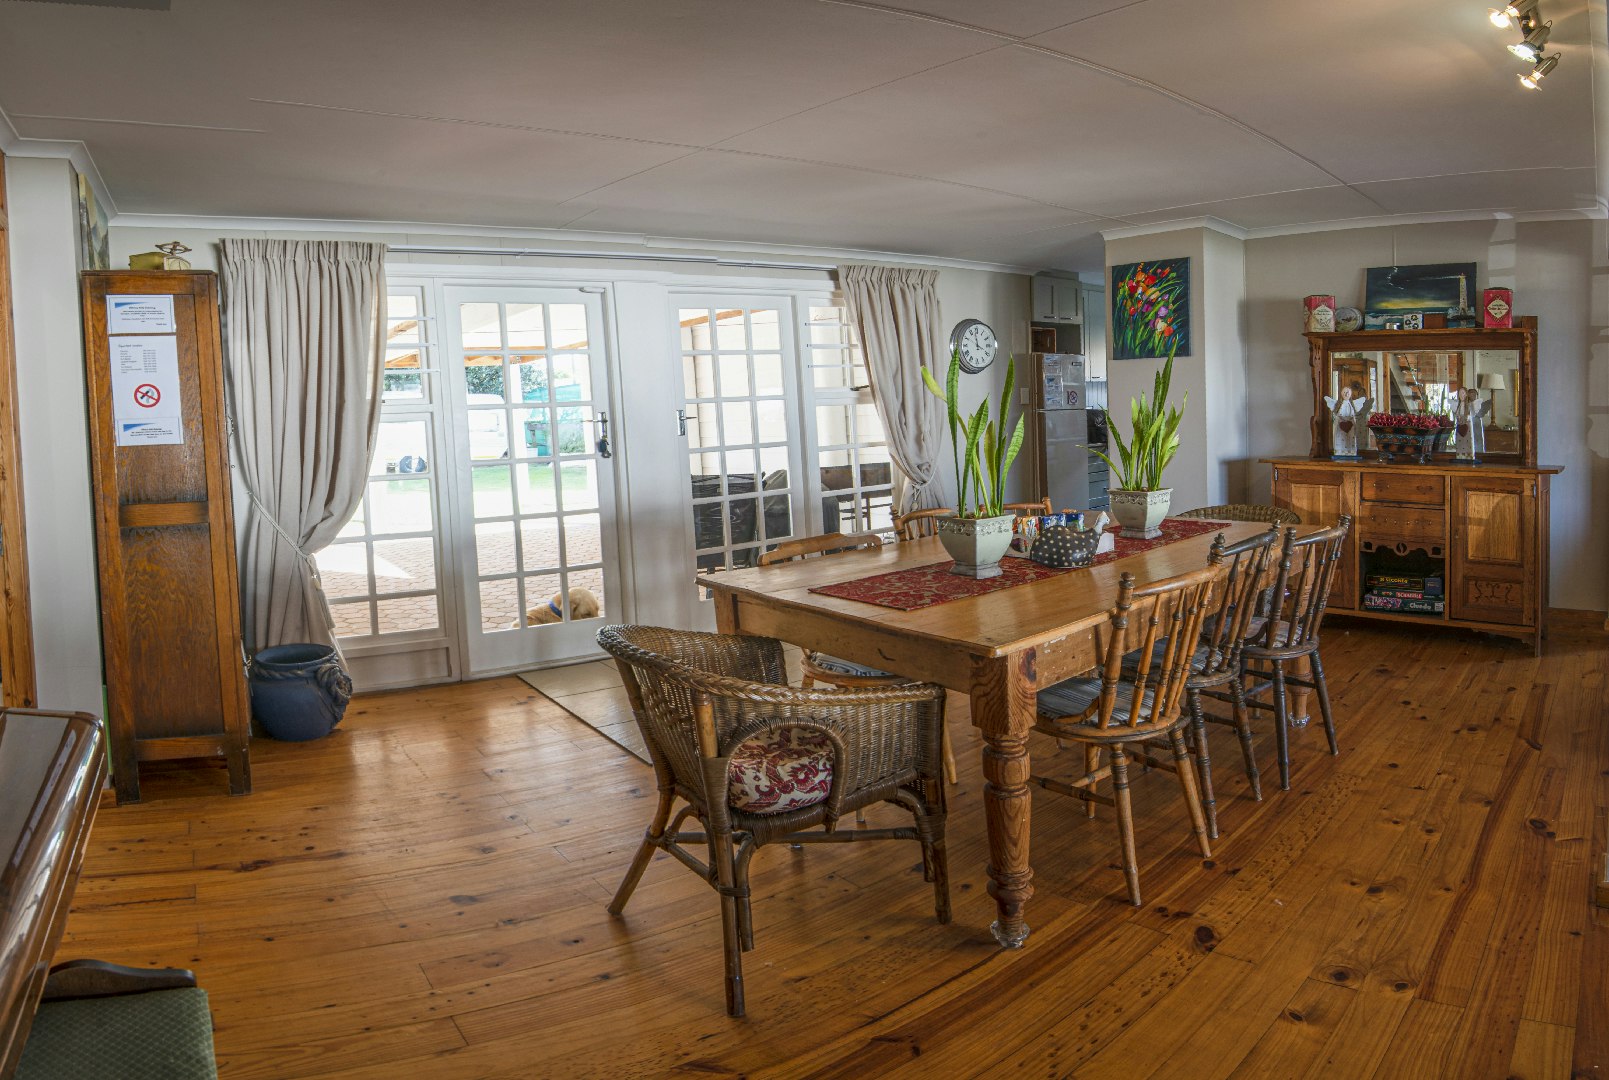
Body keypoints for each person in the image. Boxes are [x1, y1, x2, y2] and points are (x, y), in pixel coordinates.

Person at [1323, 385, 1369, 459]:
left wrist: (1350, 419)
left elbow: (1352, 414)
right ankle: (1340, 451)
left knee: (1351, 437)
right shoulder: (1338, 404)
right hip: (1340, 423)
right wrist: (1342, 419)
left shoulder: (1352, 404)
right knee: (1340, 436)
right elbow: (1338, 413)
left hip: (1351, 424)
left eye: (1348, 392)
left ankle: (1350, 451)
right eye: (1344, 392)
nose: (1346, 394)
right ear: (1341, 393)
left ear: (1350, 394)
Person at [1451, 386, 1489, 460]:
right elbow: (1458, 414)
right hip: (1463, 425)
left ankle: (1478, 453)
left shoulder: (1473, 406)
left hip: (1472, 425)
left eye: (1474, 395)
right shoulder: (1461, 405)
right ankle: (1463, 455)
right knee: (1463, 441)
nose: (1472, 396)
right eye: (1471, 394)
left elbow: (1472, 414)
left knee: (1476, 440)